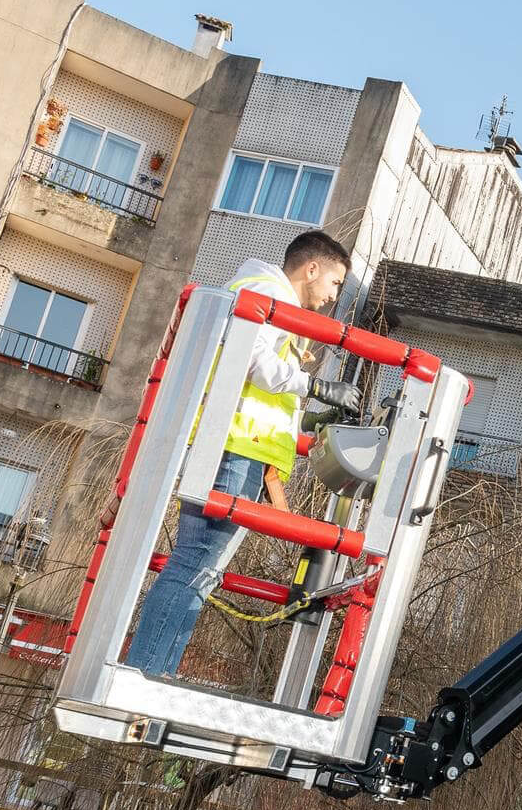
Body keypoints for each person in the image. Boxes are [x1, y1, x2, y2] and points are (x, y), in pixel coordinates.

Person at [125, 229, 362, 678]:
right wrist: (317, 387)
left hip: (239, 446)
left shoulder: (274, 302)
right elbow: (253, 362)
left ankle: (156, 669)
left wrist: (306, 419)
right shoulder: (267, 292)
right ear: (311, 269)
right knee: (196, 563)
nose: (333, 297)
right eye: (334, 283)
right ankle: (148, 670)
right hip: (233, 446)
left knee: (201, 568)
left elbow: (262, 382)